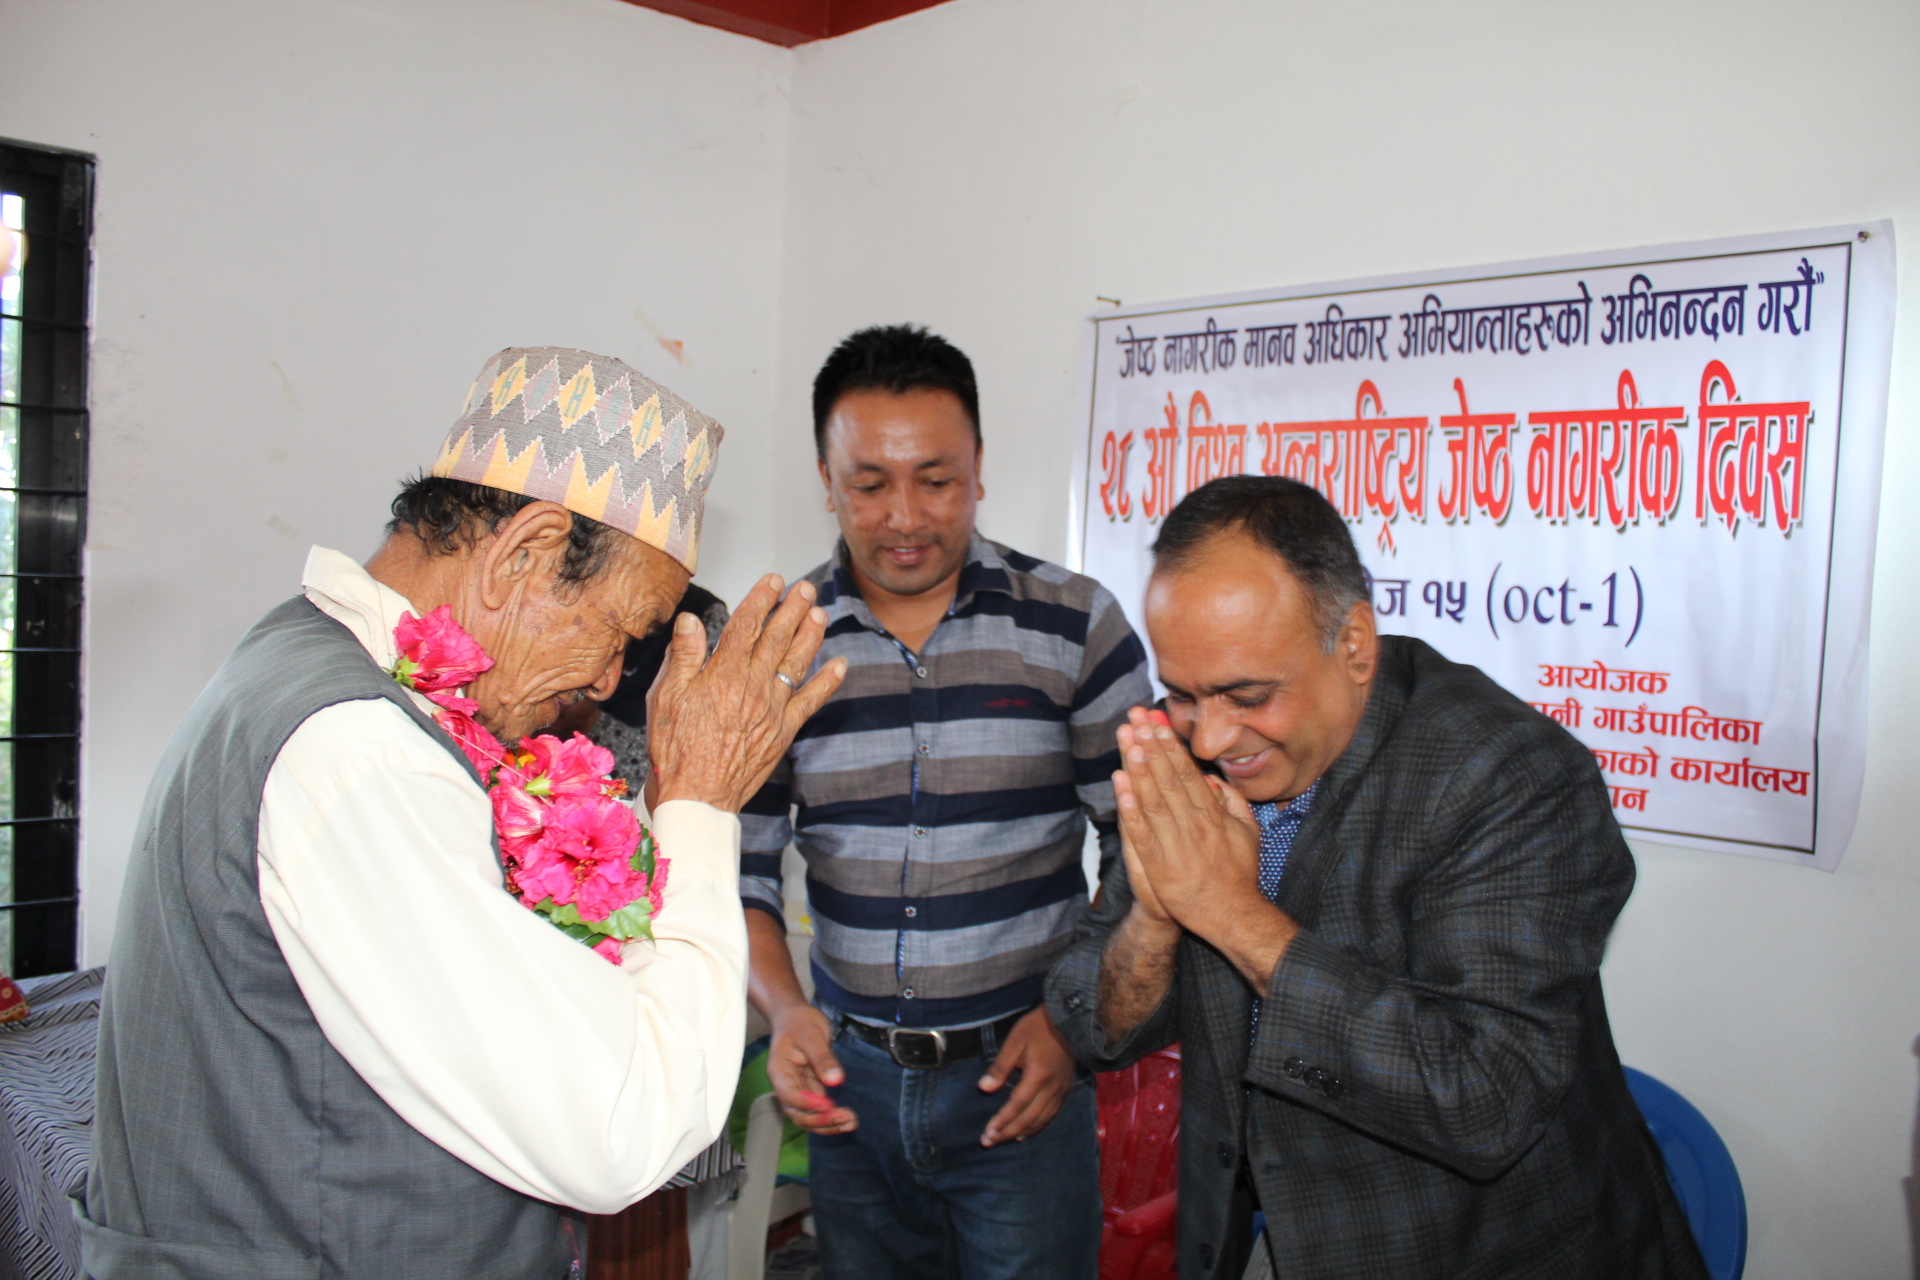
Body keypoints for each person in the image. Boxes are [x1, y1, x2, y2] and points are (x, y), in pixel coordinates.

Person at [79, 348, 846, 1280]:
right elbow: (624, 1130)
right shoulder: (358, 750)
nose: (609, 680)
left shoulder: (323, 668)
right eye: (620, 630)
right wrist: (701, 806)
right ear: (524, 554)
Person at [1046, 475, 1709, 1280]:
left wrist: (1228, 913)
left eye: (1247, 695)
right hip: (1282, 1235)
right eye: (1182, 693)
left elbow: (1484, 1098)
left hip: (1496, 1252)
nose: (1212, 737)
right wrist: (1155, 918)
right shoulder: (1183, 757)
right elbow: (1092, 1024)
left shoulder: (1510, 776)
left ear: (1355, 644)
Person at [739, 325, 1152, 1279]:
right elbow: (741, 867)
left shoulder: (1074, 625)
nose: (905, 517)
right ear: (826, 480)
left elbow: (1144, 851)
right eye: (869, 484)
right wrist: (784, 1008)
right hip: (848, 1087)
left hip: (1023, 1078)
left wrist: (1072, 1021)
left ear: (978, 470)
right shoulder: (776, 646)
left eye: (936, 480)